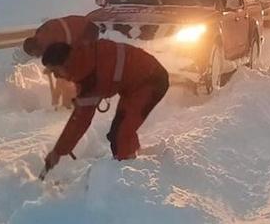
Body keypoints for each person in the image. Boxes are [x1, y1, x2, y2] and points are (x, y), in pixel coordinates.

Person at [38, 18, 169, 176]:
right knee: (118, 131)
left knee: (121, 134)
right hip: (134, 86)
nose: (56, 76)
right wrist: (60, 151)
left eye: (55, 71)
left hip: (151, 80)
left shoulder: (88, 77)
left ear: (64, 64)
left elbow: (80, 120)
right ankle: (133, 163)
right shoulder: (83, 58)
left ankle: (128, 178)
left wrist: (58, 152)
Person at [22, 16, 86, 108]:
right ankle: (64, 103)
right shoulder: (41, 36)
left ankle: (68, 103)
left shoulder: (46, 44)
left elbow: (62, 59)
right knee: (62, 80)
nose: (36, 56)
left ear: (34, 47)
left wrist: (53, 68)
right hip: (77, 30)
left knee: (65, 80)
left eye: (34, 54)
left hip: (80, 37)